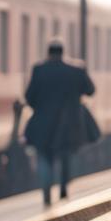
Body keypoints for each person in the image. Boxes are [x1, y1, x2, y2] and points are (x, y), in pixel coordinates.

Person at [23, 38, 96, 206]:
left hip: (43, 123)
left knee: (44, 156)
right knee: (66, 154)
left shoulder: (39, 70)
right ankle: (63, 187)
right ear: (63, 52)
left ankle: (46, 190)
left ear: (48, 53)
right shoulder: (76, 70)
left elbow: (29, 97)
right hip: (69, 123)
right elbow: (90, 90)